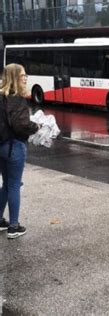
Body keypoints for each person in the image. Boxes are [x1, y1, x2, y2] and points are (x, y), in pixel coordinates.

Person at [0, 64, 40, 239]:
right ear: (15, 77)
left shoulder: (1, 97)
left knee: (6, 184)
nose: (26, 78)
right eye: (23, 75)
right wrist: (36, 126)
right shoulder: (18, 98)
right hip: (14, 146)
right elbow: (20, 125)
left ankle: (0, 221)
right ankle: (14, 227)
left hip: (1, 146)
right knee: (15, 185)